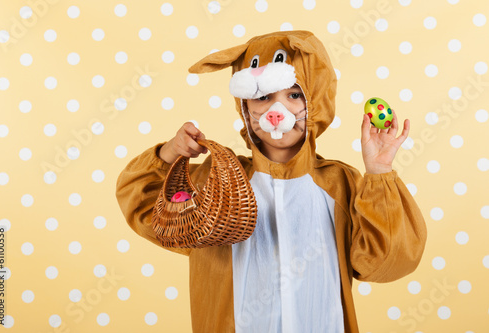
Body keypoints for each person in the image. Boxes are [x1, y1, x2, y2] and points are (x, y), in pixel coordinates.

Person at [116, 30, 427, 333]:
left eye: (293, 94)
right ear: (245, 106)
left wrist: (379, 171)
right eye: (263, 97)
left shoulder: (339, 183)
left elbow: (385, 262)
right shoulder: (217, 178)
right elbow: (147, 208)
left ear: (317, 97)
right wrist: (170, 153)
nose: (277, 111)